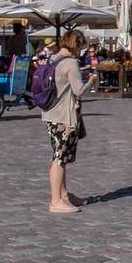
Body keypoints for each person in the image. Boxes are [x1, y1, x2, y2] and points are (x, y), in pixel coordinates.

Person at [40, 29, 87, 214]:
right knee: (59, 158)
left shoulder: (53, 58)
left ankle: (64, 194)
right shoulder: (71, 63)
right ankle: (55, 200)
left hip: (49, 113)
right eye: (81, 47)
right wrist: (91, 79)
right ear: (76, 45)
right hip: (64, 116)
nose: (81, 51)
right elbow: (79, 90)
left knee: (61, 156)